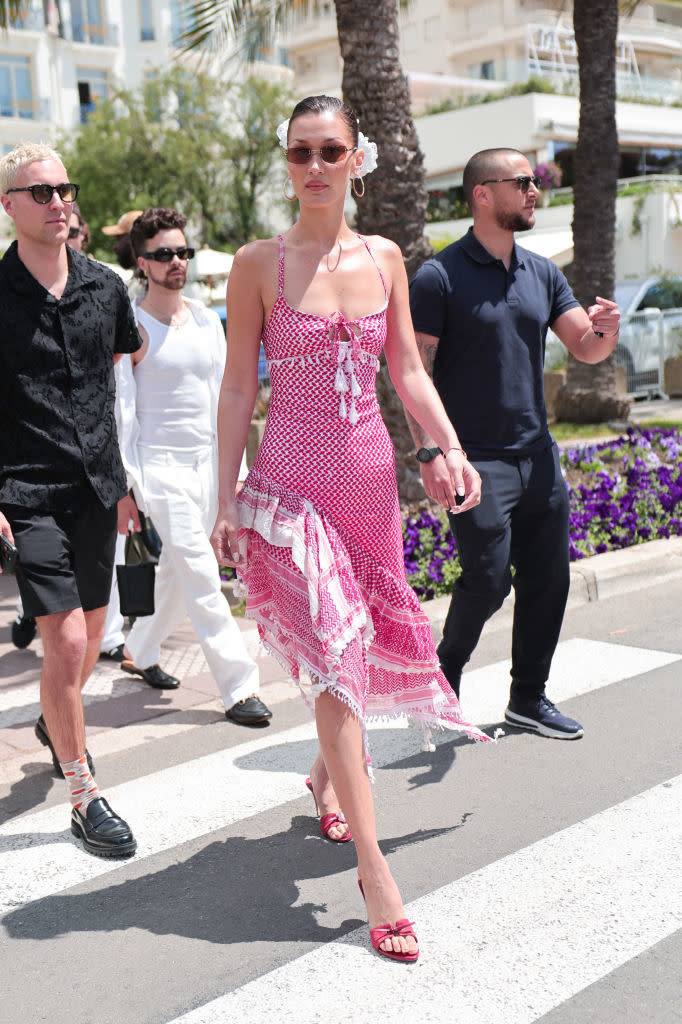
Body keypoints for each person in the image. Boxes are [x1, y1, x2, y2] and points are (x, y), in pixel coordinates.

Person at [210, 95, 493, 964]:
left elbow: (404, 365)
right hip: (292, 492)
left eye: (331, 151)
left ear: (355, 159)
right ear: (286, 162)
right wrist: (225, 498)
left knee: (360, 647)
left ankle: (326, 779)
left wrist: (445, 447)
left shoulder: (385, 257)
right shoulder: (258, 264)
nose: (316, 167)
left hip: (371, 486)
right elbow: (236, 391)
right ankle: (375, 870)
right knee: (336, 654)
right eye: (301, 153)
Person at [408, 147, 621, 740]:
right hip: (473, 460)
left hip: (538, 454)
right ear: (483, 193)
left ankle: (528, 698)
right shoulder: (438, 277)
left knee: (549, 579)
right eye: (523, 182)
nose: (535, 191)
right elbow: (414, 373)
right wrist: (431, 451)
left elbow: (585, 346)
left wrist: (605, 330)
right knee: (487, 577)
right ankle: (443, 670)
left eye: (536, 182)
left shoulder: (542, 272)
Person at [0, 142, 140, 857]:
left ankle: (58, 716)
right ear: (9, 207)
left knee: (79, 652)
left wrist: (125, 482)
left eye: (64, 188)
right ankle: (85, 796)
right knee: (72, 641)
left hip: (97, 488)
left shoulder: (107, 288)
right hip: (26, 492)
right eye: (40, 191)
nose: (59, 201)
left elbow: (115, 381)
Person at [115, 207, 272, 724]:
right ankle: (239, 686)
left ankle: (141, 649)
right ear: (143, 263)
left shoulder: (206, 317)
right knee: (202, 571)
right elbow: (123, 410)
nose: (177, 261)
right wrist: (128, 483)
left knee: (176, 574)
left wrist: (238, 470)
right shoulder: (132, 327)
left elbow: (228, 397)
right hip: (159, 467)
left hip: (209, 462)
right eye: (164, 254)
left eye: (183, 251)